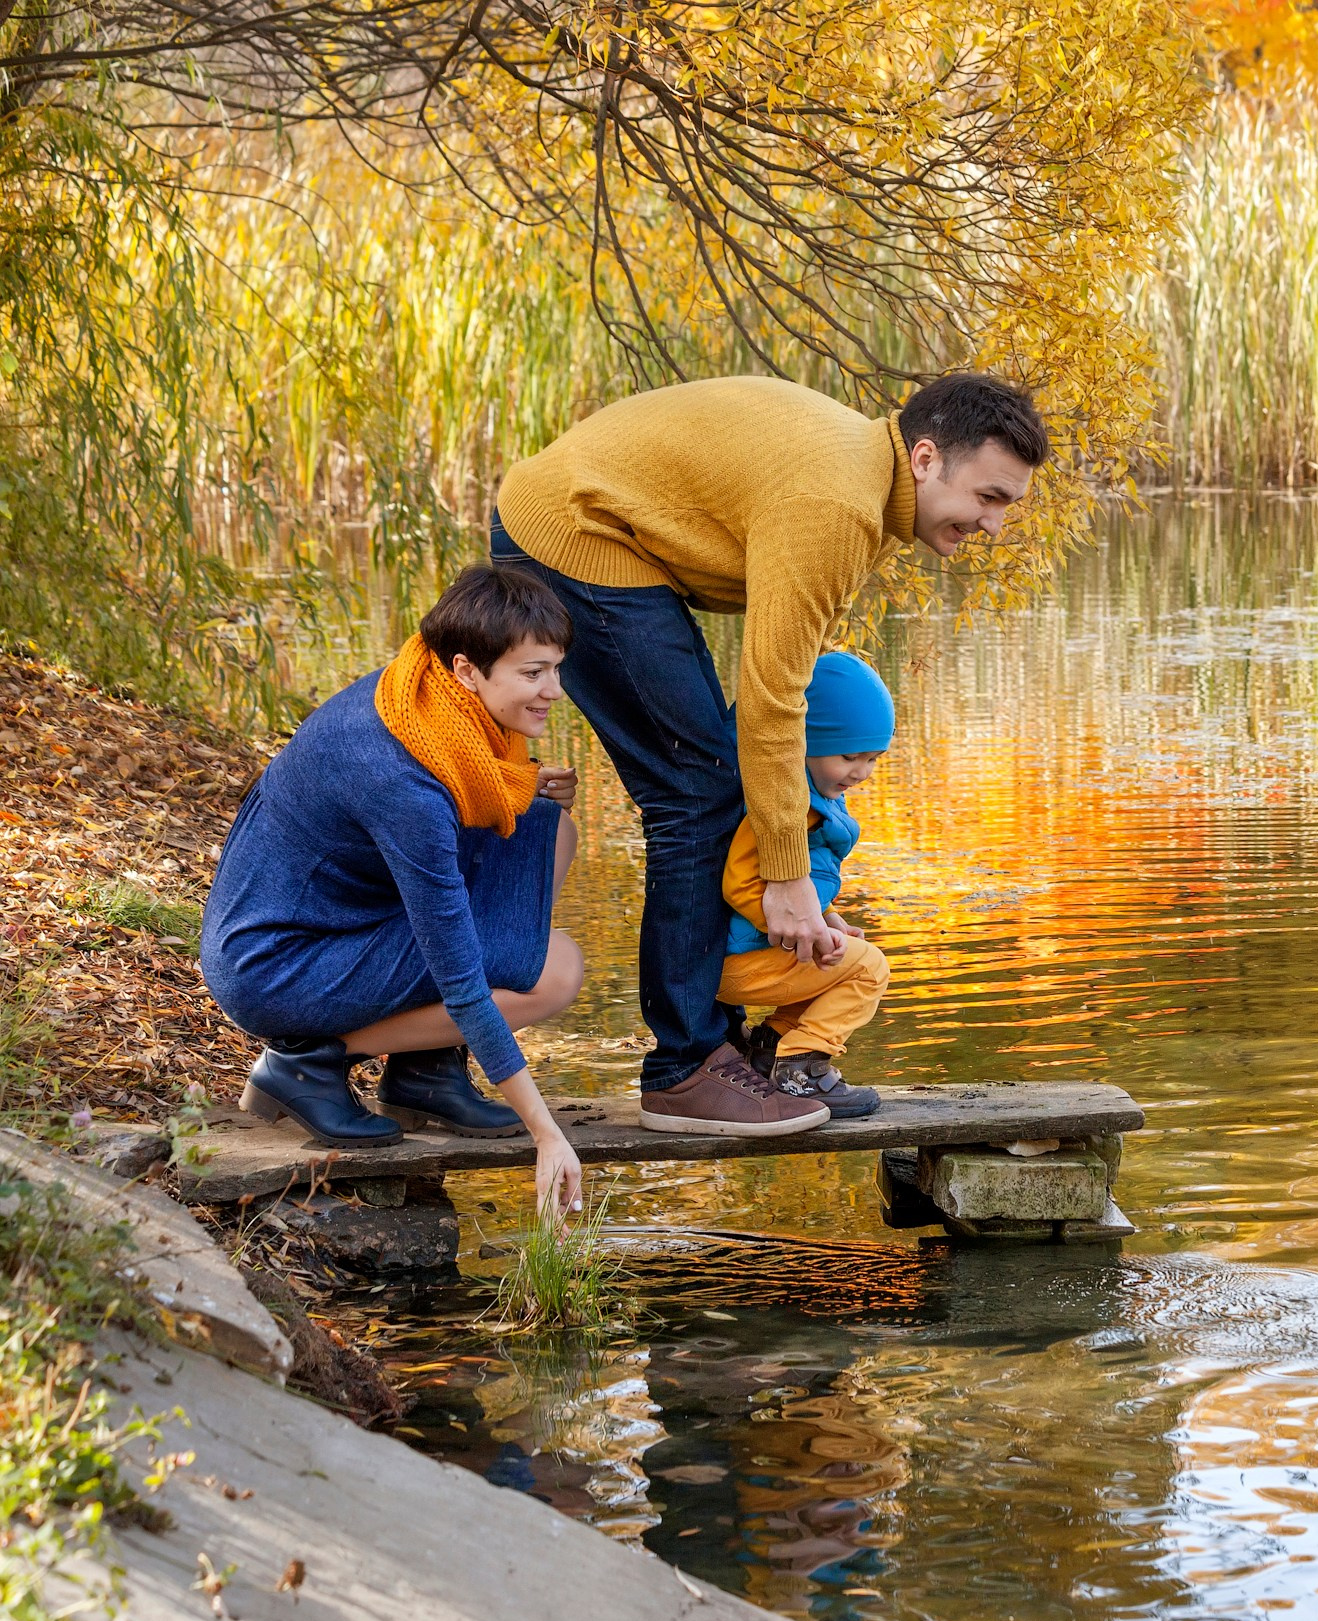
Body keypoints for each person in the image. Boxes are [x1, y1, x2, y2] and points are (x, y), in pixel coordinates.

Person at [490, 372, 1046, 1134]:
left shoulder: (867, 492)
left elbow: (789, 690)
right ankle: (683, 1070)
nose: (995, 525)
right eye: (990, 497)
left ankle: (718, 1049)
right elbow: (776, 702)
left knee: (711, 773)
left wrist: (801, 876)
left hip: (603, 536)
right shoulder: (837, 506)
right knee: (694, 788)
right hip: (577, 534)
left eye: (1006, 505)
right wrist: (784, 876)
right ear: (925, 458)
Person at [201, 566, 589, 1216]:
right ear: (468, 669)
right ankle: (305, 1060)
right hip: (276, 963)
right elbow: (461, 978)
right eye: (533, 673)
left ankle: (426, 1072)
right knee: (556, 971)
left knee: (553, 834)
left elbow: (460, 810)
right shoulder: (399, 779)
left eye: (556, 668)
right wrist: (545, 1133)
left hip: (328, 915)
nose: (555, 689)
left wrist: (521, 784)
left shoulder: (421, 692)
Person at [713, 652, 895, 1125]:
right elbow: (742, 882)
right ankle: (801, 1068)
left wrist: (826, 918)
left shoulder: (812, 802)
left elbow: (801, 883)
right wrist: (797, 930)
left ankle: (769, 1049)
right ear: (801, 746)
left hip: (756, 952)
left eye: (873, 758)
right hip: (740, 960)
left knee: (845, 953)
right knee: (869, 969)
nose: (861, 771)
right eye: (848, 756)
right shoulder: (782, 808)